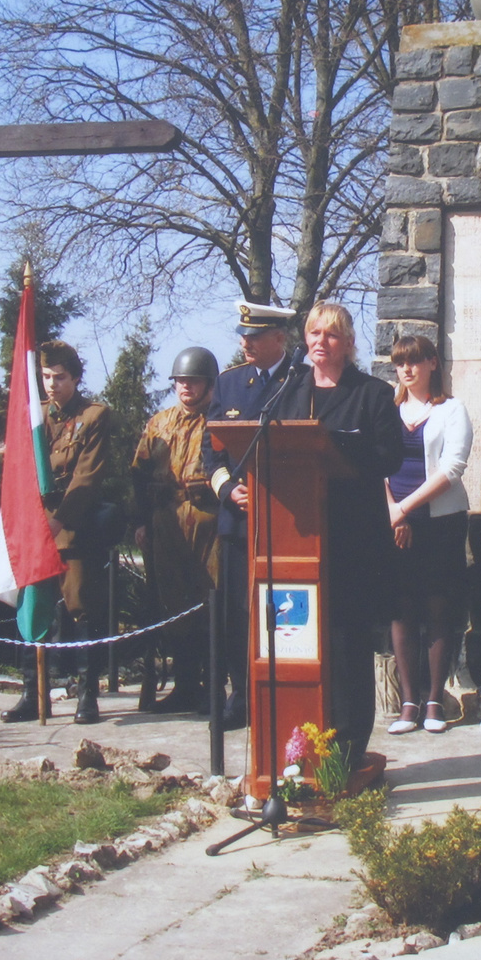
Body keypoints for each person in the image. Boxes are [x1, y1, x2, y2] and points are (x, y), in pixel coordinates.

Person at [269, 302, 403, 764]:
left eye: (330, 334)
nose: (320, 341)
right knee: (297, 639)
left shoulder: (373, 395)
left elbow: (389, 457)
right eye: (313, 333)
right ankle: (299, 744)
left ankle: (347, 747)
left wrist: (341, 447)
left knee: (346, 644)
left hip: (351, 541)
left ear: (348, 344)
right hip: (297, 539)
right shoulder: (285, 393)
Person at [1, 340, 112, 725]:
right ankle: (33, 694)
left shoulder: (94, 417)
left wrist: (59, 521)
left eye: (60, 377)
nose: (51, 385)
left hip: (72, 528)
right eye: (46, 377)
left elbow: (86, 477)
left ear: (76, 378)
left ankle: (87, 697)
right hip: (36, 529)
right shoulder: (35, 419)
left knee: (82, 607)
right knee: (34, 609)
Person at [204, 301, 298, 729]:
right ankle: (240, 694)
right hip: (239, 520)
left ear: (279, 338)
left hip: (288, 521)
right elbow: (212, 450)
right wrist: (227, 488)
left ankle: (284, 692)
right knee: (238, 613)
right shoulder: (229, 384)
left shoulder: (301, 381)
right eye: (242, 335)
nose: (245, 342)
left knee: (283, 611)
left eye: (255, 336)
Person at [383, 335, 472, 736]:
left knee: (437, 608)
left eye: (415, 361)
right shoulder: (388, 409)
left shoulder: (452, 410)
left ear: (433, 363)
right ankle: (408, 701)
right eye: (400, 362)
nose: (407, 369)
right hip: (394, 520)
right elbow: (376, 463)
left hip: (440, 522)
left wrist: (407, 507)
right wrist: (394, 512)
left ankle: (434, 700)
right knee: (401, 609)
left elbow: (452, 468)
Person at [131, 346, 221, 713]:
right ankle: (184, 685)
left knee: (210, 601)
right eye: (181, 381)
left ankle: (213, 686)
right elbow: (137, 474)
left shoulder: (219, 420)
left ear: (208, 383)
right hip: (165, 520)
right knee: (172, 602)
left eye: (193, 381)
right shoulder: (159, 423)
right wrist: (138, 520)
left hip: (207, 520)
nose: (186, 387)